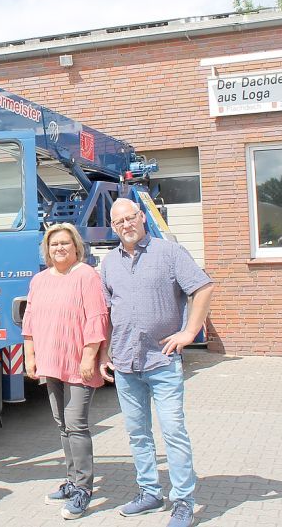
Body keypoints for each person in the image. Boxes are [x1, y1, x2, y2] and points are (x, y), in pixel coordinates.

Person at [99, 198, 215, 527]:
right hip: (125, 363)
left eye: (130, 218)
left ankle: (183, 502)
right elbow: (108, 312)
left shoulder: (169, 253)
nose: (126, 225)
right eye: (119, 221)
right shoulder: (108, 263)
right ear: (113, 226)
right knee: (137, 434)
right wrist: (104, 352)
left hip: (162, 361)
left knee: (174, 432)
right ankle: (150, 493)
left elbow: (203, 287)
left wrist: (190, 331)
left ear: (143, 218)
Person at [21, 223, 109, 521]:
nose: (59, 248)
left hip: (78, 364)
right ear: (47, 249)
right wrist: (29, 357)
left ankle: (84, 488)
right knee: (62, 424)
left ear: (76, 248)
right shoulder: (40, 280)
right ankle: (71, 481)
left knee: (76, 424)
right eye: (54, 244)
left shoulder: (86, 276)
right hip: (51, 362)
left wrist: (89, 357)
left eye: (65, 243)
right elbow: (30, 322)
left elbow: (97, 318)